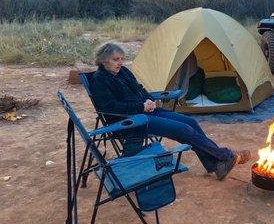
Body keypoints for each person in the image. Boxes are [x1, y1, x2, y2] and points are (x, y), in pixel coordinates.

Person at [90, 42, 250, 181]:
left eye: (121, 59)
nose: (120, 63)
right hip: (130, 122)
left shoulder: (123, 72)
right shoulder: (100, 80)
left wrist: (148, 101)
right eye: (115, 60)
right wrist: (141, 107)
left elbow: (139, 89)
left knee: (190, 122)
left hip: (146, 112)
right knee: (183, 130)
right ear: (103, 61)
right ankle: (224, 156)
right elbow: (110, 108)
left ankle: (215, 165)